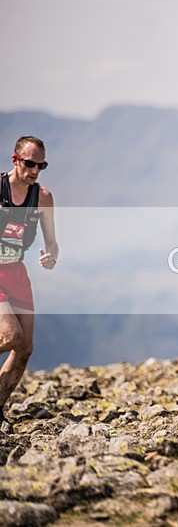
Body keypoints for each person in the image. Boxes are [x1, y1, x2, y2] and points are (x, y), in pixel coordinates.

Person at [0, 136, 58, 426]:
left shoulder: (43, 198)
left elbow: (52, 243)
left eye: (41, 165)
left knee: (24, 349)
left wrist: (50, 256)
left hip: (17, 271)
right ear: (15, 160)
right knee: (10, 335)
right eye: (30, 163)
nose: (35, 170)